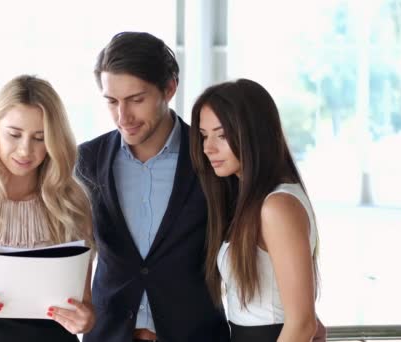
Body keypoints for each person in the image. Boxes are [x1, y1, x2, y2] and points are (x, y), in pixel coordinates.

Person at [76, 32, 230, 342]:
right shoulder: (87, 160)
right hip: (109, 335)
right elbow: (70, 246)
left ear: (170, 88)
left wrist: (299, 311)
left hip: (196, 335)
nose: (123, 117)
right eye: (111, 101)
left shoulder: (210, 156)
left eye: (136, 100)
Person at [0, 75, 95, 341]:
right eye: (14, 135)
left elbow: (84, 308)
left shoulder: (72, 202)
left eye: (40, 138)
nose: (25, 150)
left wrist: (85, 321)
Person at [189, 78, 321, 341]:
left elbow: (303, 324)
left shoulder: (277, 206)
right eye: (204, 136)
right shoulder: (252, 201)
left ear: (253, 133)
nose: (208, 148)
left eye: (222, 135)